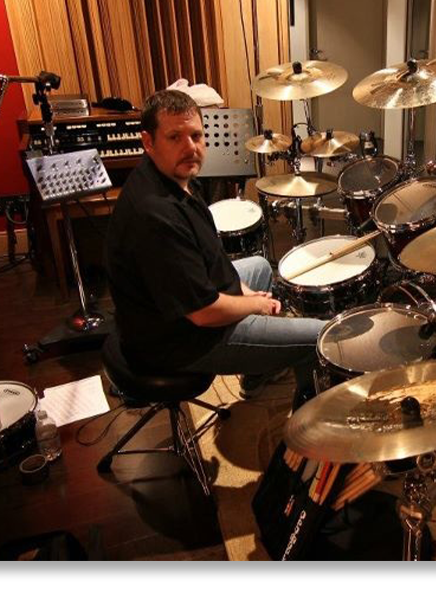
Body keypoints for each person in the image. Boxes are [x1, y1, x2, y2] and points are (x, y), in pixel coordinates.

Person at [105, 87, 325, 410]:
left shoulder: (171, 179)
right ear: (148, 142)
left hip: (172, 312)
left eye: (196, 136)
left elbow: (211, 257)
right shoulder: (156, 215)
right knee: (318, 336)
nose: (190, 148)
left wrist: (245, 291)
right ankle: (309, 428)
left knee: (261, 268)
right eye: (175, 137)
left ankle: (256, 376)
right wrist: (254, 306)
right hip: (181, 342)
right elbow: (204, 313)